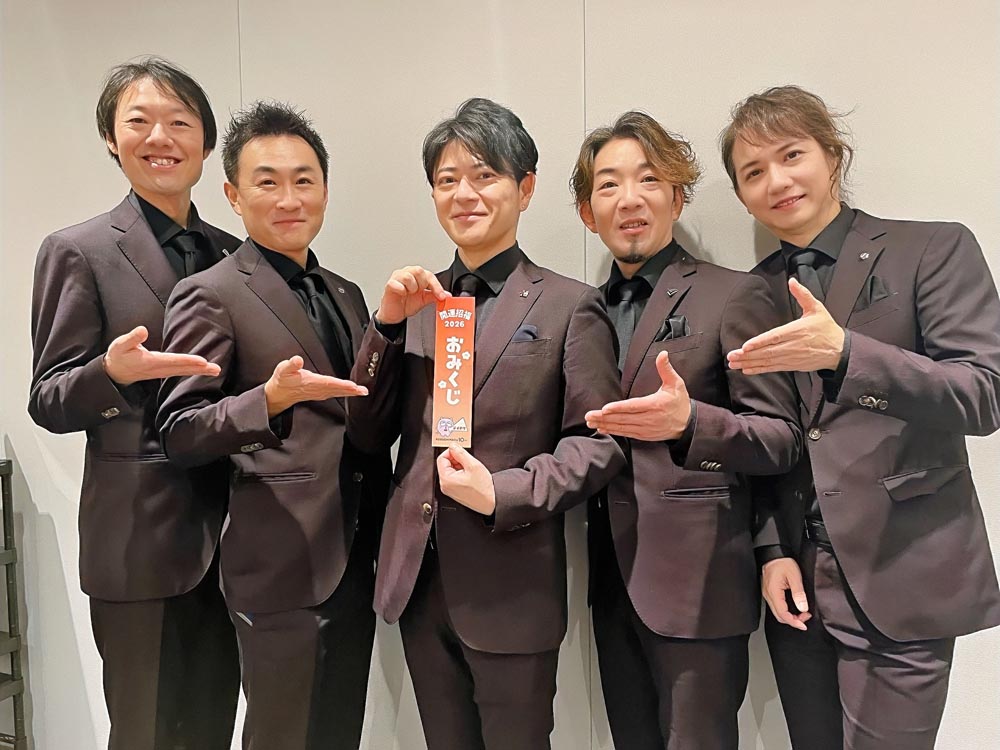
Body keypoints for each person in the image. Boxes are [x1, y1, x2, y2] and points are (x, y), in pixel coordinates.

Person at [723, 84, 1000, 749]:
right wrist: (771, 550)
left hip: (905, 568)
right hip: (800, 583)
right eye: (753, 172)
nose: (776, 181)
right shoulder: (752, 293)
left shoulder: (931, 248)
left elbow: (983, 394)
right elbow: (777, 437)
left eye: (792, 155)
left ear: (833, 155)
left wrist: (849, 355)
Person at [347, 97, 625, 750]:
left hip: (512, 585)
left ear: (524, 189)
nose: (464, 194)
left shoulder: (570, 305)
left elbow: (599, 443)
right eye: (447, 180)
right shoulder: (415, 302)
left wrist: (504, 491)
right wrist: (385, 328)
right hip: (419, 581)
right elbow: (366, 433)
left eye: (484, 175)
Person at [157, 101, 389, 750]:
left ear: (325, 189)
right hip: (277, 562)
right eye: (267, 182)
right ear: (233, 195)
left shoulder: (345, 292)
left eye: (304, 180)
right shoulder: (210, 292)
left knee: (337, 732)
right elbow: (180, 428)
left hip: (353, 555)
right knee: (281, 735)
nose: (289, 199)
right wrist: (267, 400)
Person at [27, 57, 241, 750]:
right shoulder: (78, 251)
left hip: (236, 538)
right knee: (144, 732)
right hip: (138, 541)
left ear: (205, 143)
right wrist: (111, 373)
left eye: (180, 122)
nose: (160, 138)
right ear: (111, 140)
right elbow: (49, 398)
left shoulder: (235, 255)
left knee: (212, 727)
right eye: (139, 122)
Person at [575, 111, 801, 749]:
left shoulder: (734, 294)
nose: (630, 199)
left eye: (648, 179)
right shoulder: (581, 309)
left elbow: (780, 437)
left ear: (677, 197)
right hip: (611, 583)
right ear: (589, 213)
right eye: (609, 185)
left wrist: (693, 423)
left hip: (703, 585)